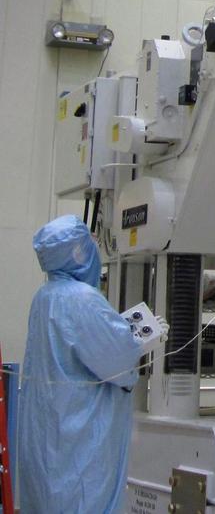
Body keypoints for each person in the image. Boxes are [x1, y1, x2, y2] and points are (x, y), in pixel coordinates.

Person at [16, 216, 143, 514]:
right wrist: (136, 344)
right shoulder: (82, 299)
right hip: (80, 436)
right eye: (89, 242)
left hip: (49, 432)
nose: (94, 247)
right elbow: (119, 361)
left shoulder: (43, 296)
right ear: (77, 252)